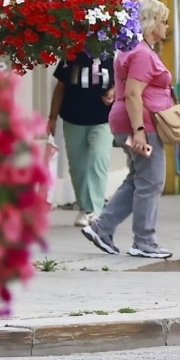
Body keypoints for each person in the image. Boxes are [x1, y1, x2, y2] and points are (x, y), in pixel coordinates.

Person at [85, 0, 177, 260]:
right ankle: (144, 241)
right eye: (163, 21)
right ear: (150, 22)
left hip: (134, 121)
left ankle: (102, 228)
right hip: (142, 123)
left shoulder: (134, 50)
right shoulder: (141, 54)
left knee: (137, 179)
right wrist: (139, 131)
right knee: (151, 181)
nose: (166, 26)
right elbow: (134, 95)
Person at [51, 35, 116, 224]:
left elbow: (119, 82)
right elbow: (60, 88)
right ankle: (85, 208)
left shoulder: (109, 56)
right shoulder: (71, 56)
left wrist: (113, 92)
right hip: (74, 119)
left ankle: (95, 209)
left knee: (98, 158)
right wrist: (52, 117)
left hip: (102, 119)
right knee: (78, 166)